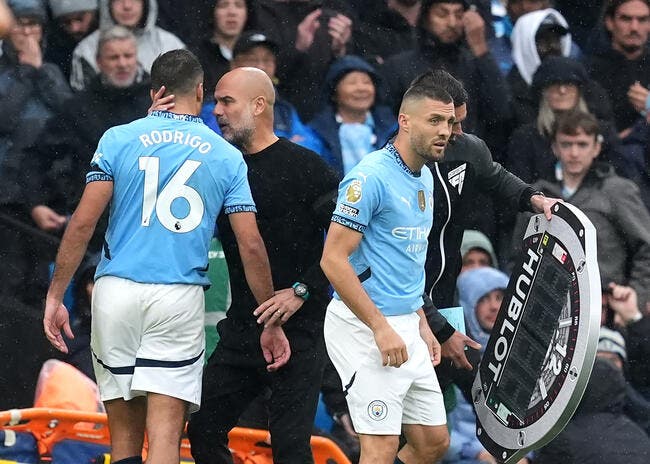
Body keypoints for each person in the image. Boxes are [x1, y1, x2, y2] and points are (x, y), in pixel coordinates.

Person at [43, 50, 284, 464]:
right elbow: (250, 245)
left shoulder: (118, 138)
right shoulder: (225, 155)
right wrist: (268, 317)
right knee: (166, 440)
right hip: (177, 296)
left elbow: (82, 224)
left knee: (123, 442)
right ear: (201, 92)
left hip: (115, 291)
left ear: (156, 91)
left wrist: (56, 295)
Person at [185, 67, 339, 464]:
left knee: (289, 447)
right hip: (243, 326)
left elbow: (349, 244)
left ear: (258, 105)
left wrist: (302, 290)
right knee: (202, 428)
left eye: (226, 101)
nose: (215, 110)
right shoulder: (220, 168)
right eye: (214, 101)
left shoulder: (307, 167)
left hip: (302, 329)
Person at [321, 79, 455, 464]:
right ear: (405, 121)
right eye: (434, 120)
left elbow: (406, 258)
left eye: (448, 122)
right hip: (363, 326)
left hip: (406, 323)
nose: (444, 131)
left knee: (433, 442)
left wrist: (421, 321)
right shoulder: (370, 177)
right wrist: (381, 327)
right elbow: (332, 259)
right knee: (379, 447)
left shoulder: (426, 175)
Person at [511, 109, 650, 311]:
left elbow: (646, 247)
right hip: (545, 310)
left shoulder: (617, 190)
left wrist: (634, 298)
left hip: (604, 307)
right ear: (555, 148)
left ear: (596, 148)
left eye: (582, 144)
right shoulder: (538, 195)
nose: (574, 153)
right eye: (566, 144)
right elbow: (518, 256)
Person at [380, 0, 512, 159]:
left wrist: (480, 48)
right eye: (442, 14)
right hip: (418, 164)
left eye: (458, 15)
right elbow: (385, 122)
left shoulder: (474, 63)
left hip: (467, 164)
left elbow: (501, 111)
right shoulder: (399, 66)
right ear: (426, 17)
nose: (452, 23)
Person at [308, 55, 397, 178]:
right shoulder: (317, 133)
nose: (361, 88)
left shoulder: (393, 129)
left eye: (367, 82)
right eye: (352, 82)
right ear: (334, 93)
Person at [70, 0, 185, 90]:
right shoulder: (86, 50)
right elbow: (85, 104)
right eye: (118, 0)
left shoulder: (171, 45)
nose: (127, 6)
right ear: (107, 4)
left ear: (146, 3)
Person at [586, 0, 650, 138]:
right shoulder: (589, 70)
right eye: (626, 19)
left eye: (642, 19)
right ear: (609, 22)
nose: (634, 27)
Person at [192, 0, 249, 102]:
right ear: (213, 11)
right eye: (223, 5)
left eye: (239, 5)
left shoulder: (260, 52)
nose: (232, 12)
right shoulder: (195, 57)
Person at [45, 0, 99, 79]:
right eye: (66, 22)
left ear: (94, 14)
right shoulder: (53, 49)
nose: (74, 28)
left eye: (80, 19)